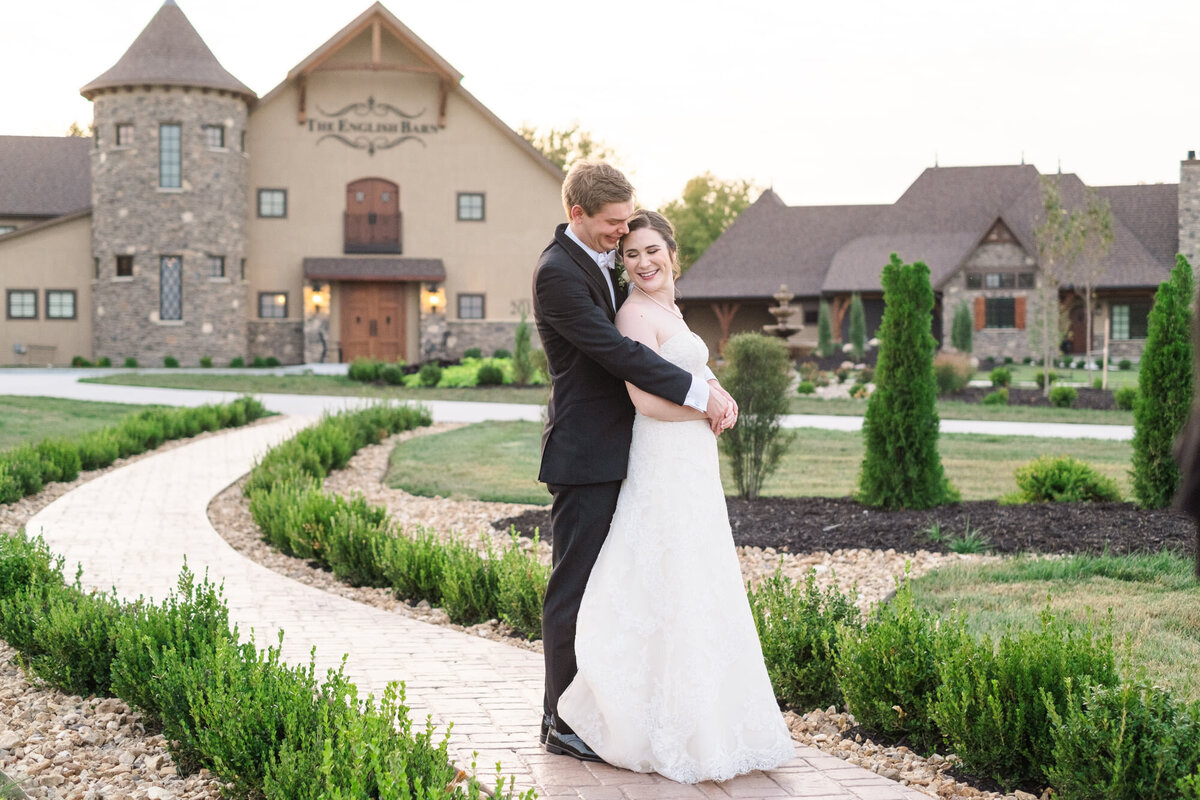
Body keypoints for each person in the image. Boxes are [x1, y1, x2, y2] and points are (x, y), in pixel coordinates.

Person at [556, 210, 795, 783]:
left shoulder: (668, 308)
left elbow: (691, 367)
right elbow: (645, 401)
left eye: (651, 251)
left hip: (691, 465)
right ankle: (651, 721)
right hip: (662, 458)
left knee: (700, 580)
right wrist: (705, 406)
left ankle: (707, 717)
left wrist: (719, 391)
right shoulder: (634, 313)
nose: (642, 263)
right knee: (667, 579)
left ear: (671, 253)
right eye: (630, 254)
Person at [533, 163, 737, 763]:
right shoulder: (556, 274)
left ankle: (608, 707)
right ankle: (559, 720)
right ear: (578, 214)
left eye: (629, 224)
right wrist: (701, 395)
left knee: (616, 587)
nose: (622, 237)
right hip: (586, 453)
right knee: (574, 587)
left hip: (630, 451)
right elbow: (615, 350)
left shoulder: (599, 261)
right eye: (614, 225)